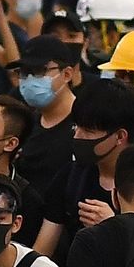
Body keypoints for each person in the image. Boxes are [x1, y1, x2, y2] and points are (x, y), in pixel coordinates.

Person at [35, 78, 134, 267]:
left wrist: (113, 227)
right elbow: (43, 250)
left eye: (88, 131)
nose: (77, 136)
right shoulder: (71, 177)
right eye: (76, 127)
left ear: (120, 136)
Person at [11, 35, 82, 197]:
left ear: (67, 74)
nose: (29, 79)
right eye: (23, 72)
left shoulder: (86, 123)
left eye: (38, 71)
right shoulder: (24, 125)